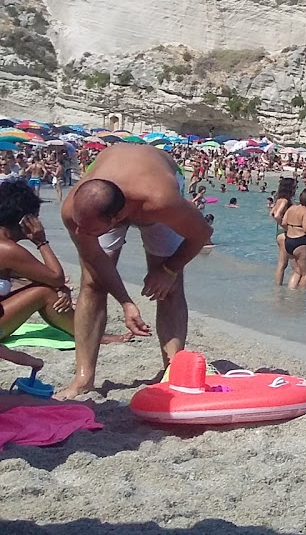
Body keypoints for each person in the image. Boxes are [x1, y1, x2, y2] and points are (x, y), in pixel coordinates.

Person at [57, 144, 215, 398]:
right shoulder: (74, 214)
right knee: (92, 283)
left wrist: (169, 269)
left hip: (155, 179)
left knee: (169, 288)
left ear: (116, 219)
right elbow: (95, 260)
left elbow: (202, 234)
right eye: (78, 226)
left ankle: (172, 370)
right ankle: (83, 377)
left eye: (89, 230)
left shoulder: (161, 201)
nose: (79, 234)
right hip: (108, 185)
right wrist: (126, 302)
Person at [0, 179, 92, 351]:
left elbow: (33, 278)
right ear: (24, 219)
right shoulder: (6, 249)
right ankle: (92, 337)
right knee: (45, 293)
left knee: (45, 287)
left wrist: (58, 286)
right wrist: (41, 241)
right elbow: (55, 277)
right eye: (35, 217)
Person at [269, 177, 296, 287]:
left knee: (282, 264)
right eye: (294, 186)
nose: (296, 188)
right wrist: (286, 227)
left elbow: (271, 213)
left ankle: (278, 289)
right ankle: (283, 289)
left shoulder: (279, 200)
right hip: (284, 233)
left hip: (279, 233)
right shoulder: (285, 201)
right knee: (286, 265)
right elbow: (276, 215)